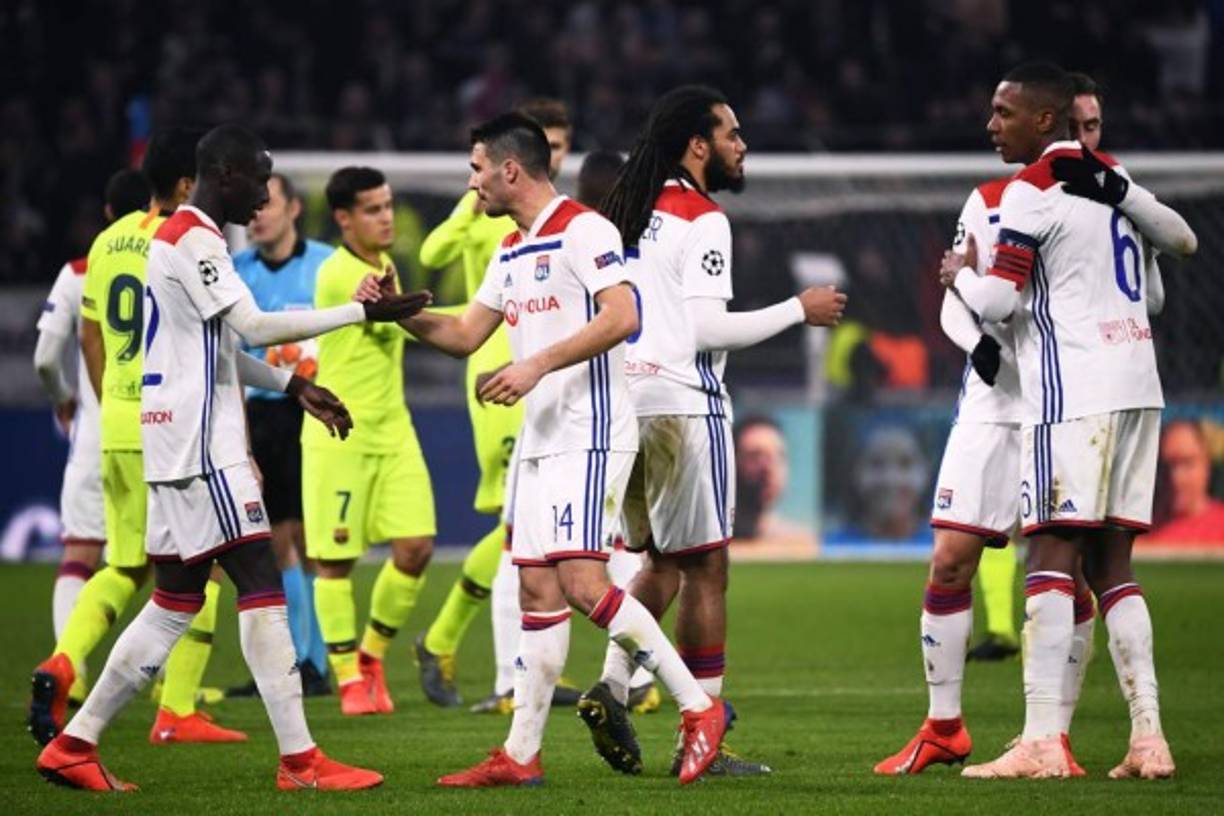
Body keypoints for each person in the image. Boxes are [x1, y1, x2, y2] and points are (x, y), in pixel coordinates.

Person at [35, 123, 430, 792]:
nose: (267, 190)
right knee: (259, 579)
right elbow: (253, 324)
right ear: (223, 174)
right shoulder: (193, 237)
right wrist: (361, 315)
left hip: (176, 441)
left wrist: (292, 383)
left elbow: (217, 345)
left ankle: (74, 743)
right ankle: (301, 761)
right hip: (199, 445)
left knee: (172, 602)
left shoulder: (184, 237)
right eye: (259, 175)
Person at [400, 111, 726, 787]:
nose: (472, 182)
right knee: (536, 586)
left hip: (590, 431)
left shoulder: (584, 228)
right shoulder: (509, 248)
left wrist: (536, 365)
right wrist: (397, 314)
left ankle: (700, 710)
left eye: (476, 168)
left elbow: (623, 316)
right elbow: (464, 332)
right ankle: (520, 755)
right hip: (541, 439)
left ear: (509, 169)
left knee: (583, 583)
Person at [582, 85, 845, 778]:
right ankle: (705, 736)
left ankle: (611, 687)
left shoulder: (623, 212)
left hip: (623, 402)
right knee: (708, 568)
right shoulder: (702, 217)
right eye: (731, 133)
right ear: (698, 144)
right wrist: (799, 308)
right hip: (682, 406)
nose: (741, 144)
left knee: (660, 561)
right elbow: (704, 330)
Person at [946, 62, 1195, 779]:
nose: (993, 126)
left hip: (1071, 395)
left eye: (1004, 113)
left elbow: (996, 304)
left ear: (1042, 120)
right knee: (1113, 564)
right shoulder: (1113, 184)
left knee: (1050, 556)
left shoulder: (1029, 190)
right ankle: (1148, 736)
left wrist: (958, 274)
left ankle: (1041, 742)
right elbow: (1172, 261)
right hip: (1138, 386)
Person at [29, 128, 249, 747]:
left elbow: (89, 337)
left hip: (117, 423)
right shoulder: (181, 241)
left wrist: (108, 403)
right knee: (201, 569)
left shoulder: (104, 242)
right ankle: (176, 711)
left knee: (123, 564)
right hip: (172, 429)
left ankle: (63, 662)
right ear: (187, 184)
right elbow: (221, 345)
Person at [414, 99, 578, 712]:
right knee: (520, 527)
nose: (557, 156)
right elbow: (431, 256)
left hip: (546, 369)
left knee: (524, 528)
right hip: (497, 376)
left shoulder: (554, 221)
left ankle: (526, 667)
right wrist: (467, 207)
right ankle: (453, 643)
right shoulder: (488, 210)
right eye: (550, 146)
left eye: (562, 146)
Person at [301, 166, 437, 716]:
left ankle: (371, 656)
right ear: (343, 218)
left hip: (394, 430)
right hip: (342, 433)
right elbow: (358, 297)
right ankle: (346, 678)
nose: (386, 217)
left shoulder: (385, 265)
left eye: (388, 206)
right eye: (373, 209)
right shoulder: (339, 274)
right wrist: (371, 300)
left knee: (416, 547)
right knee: (335, 561)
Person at [33, 168, 151, 705]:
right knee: (171, 562)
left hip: (97, 433)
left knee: (82, 554)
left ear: (107, 213)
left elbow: (43, 358)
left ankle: (70, 667)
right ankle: (170, 689)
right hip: (158, 427)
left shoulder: (80, 269)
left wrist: (64, 396)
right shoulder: (163, 255)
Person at [227, 172, 334, 698]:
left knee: (305, 537)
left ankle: (312, 660)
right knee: (271, 541)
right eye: (255, 204)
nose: (259, 212)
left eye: (270, 203)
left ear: (294, 208)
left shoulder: (326, 266)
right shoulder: (233, 271)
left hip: (310, 410)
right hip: (258, 414)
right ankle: (300, 662)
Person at [1143, 420, 1224, 545]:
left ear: (1207, 464)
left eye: (1187, 463)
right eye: (1166, 465)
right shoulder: (1137, 531)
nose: (1176, 477)